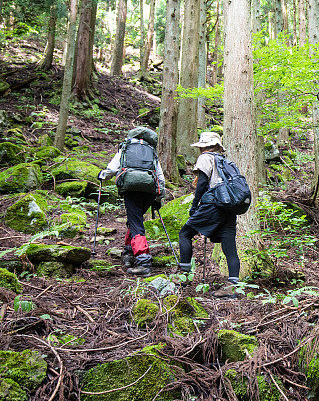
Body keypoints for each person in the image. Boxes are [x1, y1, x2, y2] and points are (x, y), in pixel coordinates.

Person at [178, 131, 240, 298]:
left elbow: (203, 183)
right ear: (218, 146)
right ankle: (233, 287)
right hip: (229, 207)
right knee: (230, 247)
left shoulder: (205, 158)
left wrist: (194, 205)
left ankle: (183, 278)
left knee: (185, 233)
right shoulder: (226, 162)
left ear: (203, 146)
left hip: (212, 205)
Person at [98, 126, 165, 277]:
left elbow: (113, 168)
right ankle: (129, 253)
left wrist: (102, 175)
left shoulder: (126, 147)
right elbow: (160, 176)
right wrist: (159, 197)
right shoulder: (151, 151)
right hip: (149, 190)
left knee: (136, 223)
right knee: (135, 219)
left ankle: (143, 260)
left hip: (131, 188)